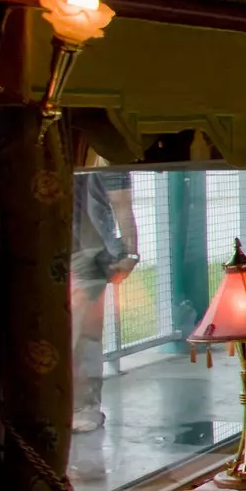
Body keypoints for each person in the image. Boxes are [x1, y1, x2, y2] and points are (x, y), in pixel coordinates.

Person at [70, 165, 139, 435]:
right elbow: (120, 200)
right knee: (83, 334)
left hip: (54, 243)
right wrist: (130, 252)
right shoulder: (105, 146)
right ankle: (81, 408)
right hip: (87, 249)